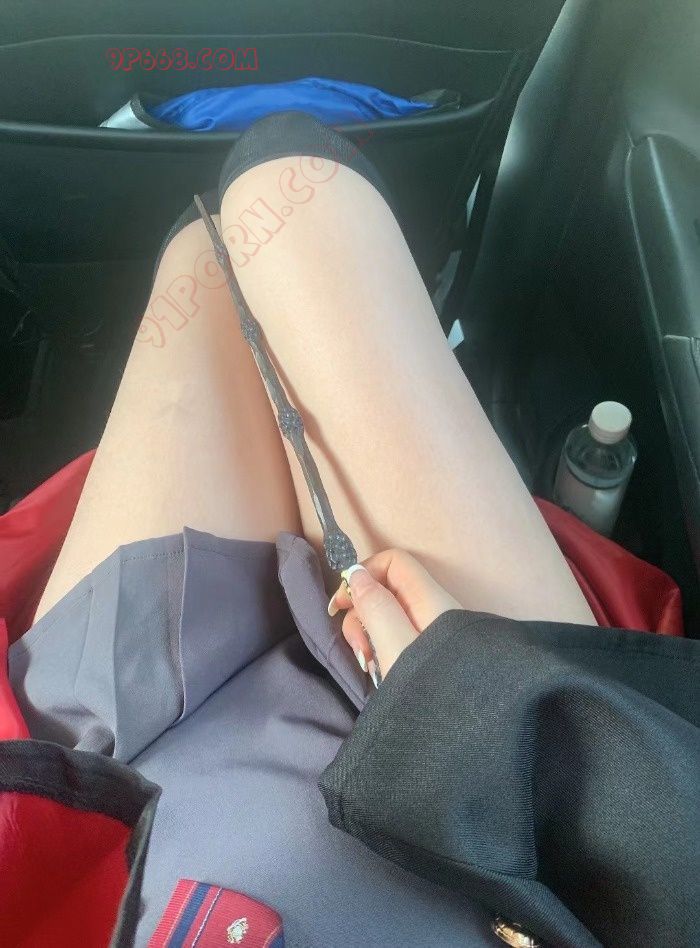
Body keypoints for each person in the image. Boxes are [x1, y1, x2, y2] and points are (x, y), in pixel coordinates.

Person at [10, 113, 698, 947]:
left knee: (216, 242)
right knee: (283, 185)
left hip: (116, 802)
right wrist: (471, 716)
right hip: (525, 817)